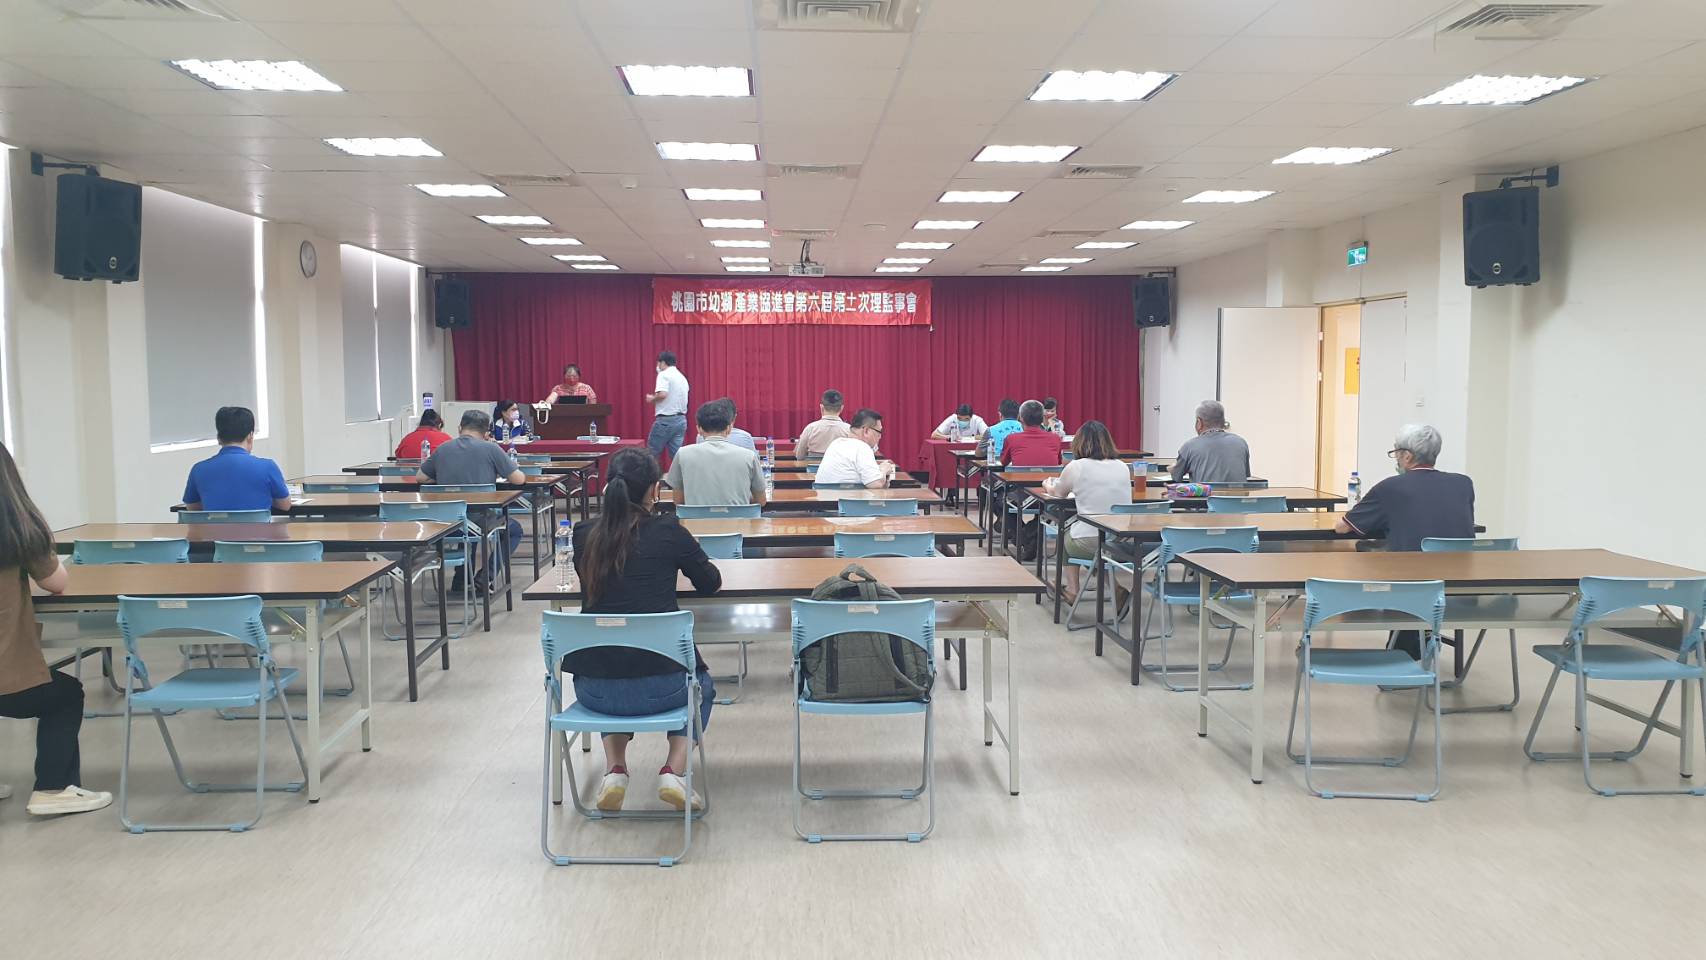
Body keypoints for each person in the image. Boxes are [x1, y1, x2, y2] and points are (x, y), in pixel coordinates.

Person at [569, 447, 721, 812]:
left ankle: (615, 770)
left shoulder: (584, 534)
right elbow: (710, 582)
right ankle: (673, 771)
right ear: (655, 490)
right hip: (666, 689)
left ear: (608, 488)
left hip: (595, 693)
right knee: (703, 686)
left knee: (610, 658)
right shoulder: (669, 531)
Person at [0, 442, 112, 816]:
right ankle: (52, 789)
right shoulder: (17, 528)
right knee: (65, 695)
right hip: (5, 682)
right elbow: (57, 581)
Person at [1336, 424, 1475, 660]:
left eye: (1396, 453)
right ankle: (1420, 642)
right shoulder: (1463, 484)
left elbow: (1343, 527)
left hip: (1411, 587)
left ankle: (1405, 649)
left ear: (1407, 456)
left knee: (1372, 553)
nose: (1396, 459)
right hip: (1460, 585)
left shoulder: (1390, 487)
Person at [419, 409, 526, 590]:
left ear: (460, 427)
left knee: (466, 520)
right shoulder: (491, 449)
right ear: (486, 433)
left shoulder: (443, 448)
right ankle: (486, 576)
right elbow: (518, 479)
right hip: (479, 520)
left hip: (445, 523)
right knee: (512, 530)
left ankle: (461, 578)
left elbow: (420, 477)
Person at [1044, 421, 1133, 602]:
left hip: (1094, 541)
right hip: (1122, 541)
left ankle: (1072, 590)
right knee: (1096, 544)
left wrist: (1047, 485)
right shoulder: (1122, 466)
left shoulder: (1076, 466)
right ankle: (1115, 588)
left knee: (1067, 536)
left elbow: (1059, 494)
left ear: (1079, 442)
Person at [182, 406, 291, 513]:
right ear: (250, 436)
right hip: (257, 526)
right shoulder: (267, 467)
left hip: (216, 526)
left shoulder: (199, 469)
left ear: (219, 438)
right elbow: (285, 505)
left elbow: (192, 508)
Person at [668, 400, 765, 506]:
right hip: (740, 517)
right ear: (729, 428)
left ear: (699, 429)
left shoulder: (682, 454)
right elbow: (761, 501)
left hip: (694, 517)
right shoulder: (749, 456)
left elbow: (678, 500)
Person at [1171, 400, 1251, 484]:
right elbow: (1244, 475)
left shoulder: (1189, 447)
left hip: (1206, 493)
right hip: (1237, 493)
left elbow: (1176, 477)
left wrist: (1173, 469)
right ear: (1223, 421)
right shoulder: (1241, 443)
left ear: (1199, 422)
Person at [814, 408, 894, 489]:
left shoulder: (835, 443)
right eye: (879, 432)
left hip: (823, 496)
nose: (880, 437)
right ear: (866, 431)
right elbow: (876, 484)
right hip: (844, 496)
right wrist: (884, 469)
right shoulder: (862, 448)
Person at [645, 350, 690, 466]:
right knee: (677, 456)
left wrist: (652, 399)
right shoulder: (682, 377)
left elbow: (662, 394)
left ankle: (650, 476)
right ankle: (682, 477)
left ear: (663, 362)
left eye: (658, 363)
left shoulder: (664, 374)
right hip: (681, 420)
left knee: (651, 454)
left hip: (665, 420)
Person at [1000, 400, 1065, 467]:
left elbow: (1003, 462)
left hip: (1019, 474)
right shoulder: (1055, 438)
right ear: (1042, 418)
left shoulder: (1011, 439)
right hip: (1049, 474)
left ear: (1021, 418)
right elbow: (1059, 462)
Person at [794, 389, 850, 459]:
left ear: (821, 407)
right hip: (839, 466)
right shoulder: (849, 430)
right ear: (841, 408)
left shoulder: (810, 428)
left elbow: (799, 456)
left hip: (814, 466)